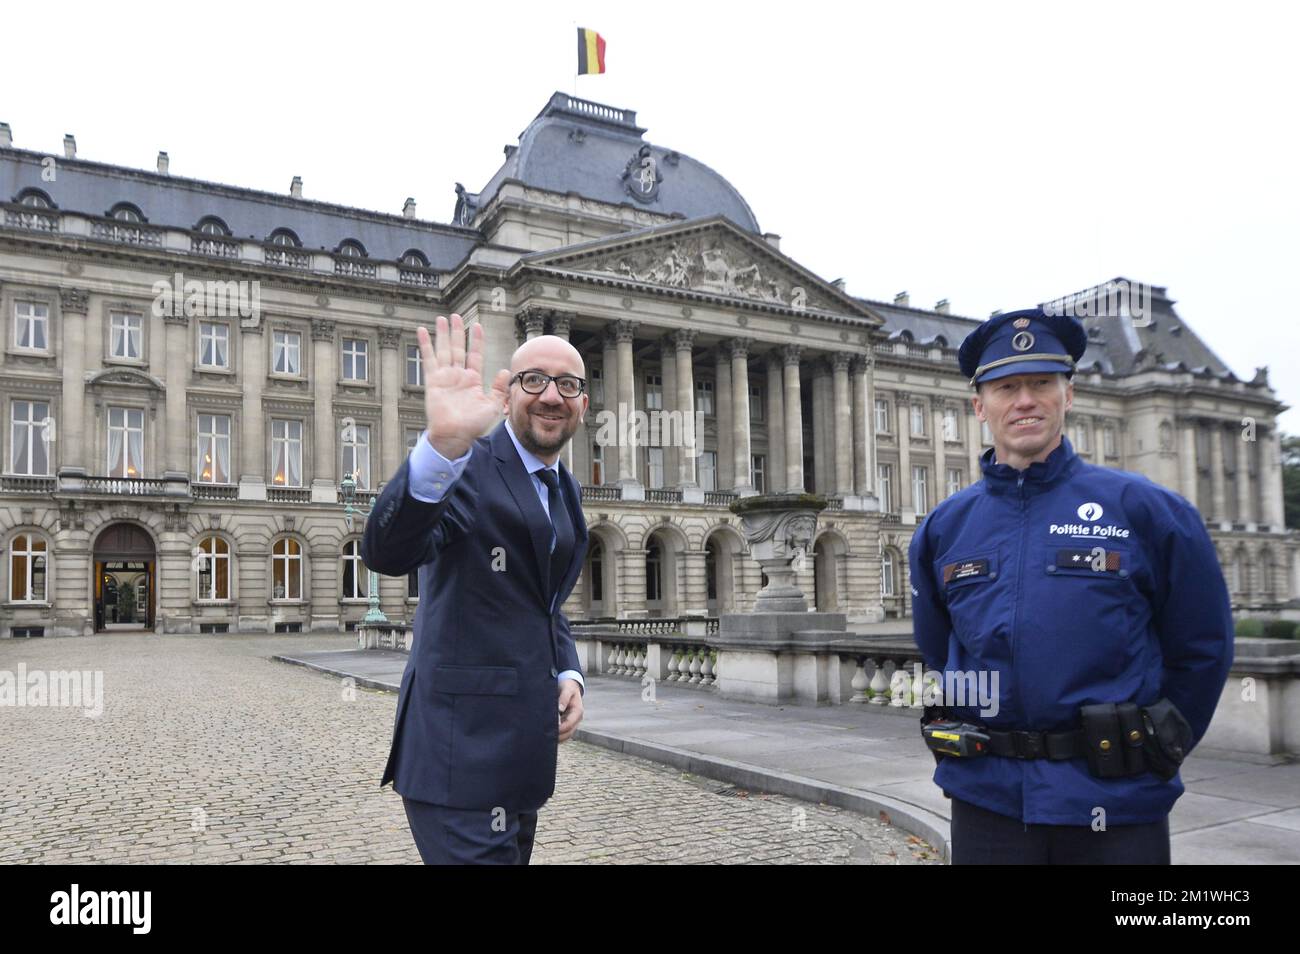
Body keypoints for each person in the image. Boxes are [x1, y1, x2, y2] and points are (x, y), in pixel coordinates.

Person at [908, 307, 1234, 864]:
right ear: (979, 406)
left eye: (1041, 384)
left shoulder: (1147, 510)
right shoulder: (945, 527)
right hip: (990, 800)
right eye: (1007, 387)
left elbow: (1202, 647)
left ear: (1069, 395)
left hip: (1115, 796)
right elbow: (941, 650)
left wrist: (1160, 746)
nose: (1025, 400)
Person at [361, 313, 589, 864]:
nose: (551, 396)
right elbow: (388, 552)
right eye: (534, 380)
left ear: (584, 401)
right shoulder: (468, 466)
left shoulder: (563, 488)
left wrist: (567, 670)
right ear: (508, 392)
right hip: (456, 761)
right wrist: (441, 446)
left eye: (568, 384)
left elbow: (544, 601)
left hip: (521, 764)